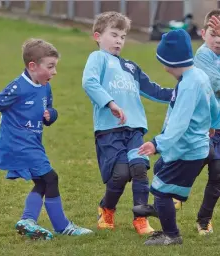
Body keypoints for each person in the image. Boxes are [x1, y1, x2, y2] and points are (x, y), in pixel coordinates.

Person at [0, 38, 93, 240]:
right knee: (50, 177)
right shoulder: (17, 88)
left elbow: (50, 111)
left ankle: (27, 220)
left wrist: (50, 115)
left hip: (33, 144)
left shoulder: (45, 87)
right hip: (19, 144)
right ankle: (62, 226)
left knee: (43, 182)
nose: (54, 72)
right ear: (32, 66)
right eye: (50, 66)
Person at [82, 11, 173, 235]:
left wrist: (183, 92)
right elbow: (89, 82)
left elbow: (154, 91)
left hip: (135, 129)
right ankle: (106, 208)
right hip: (109, 130)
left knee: (140, 169)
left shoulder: (131, 67)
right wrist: (111, 103)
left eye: (122, 37)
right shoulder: (98, 59)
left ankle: (141, 219)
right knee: (121, 173)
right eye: (113, 35)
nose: (118, 41)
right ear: (97, 36)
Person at [134, 29, 219, 245]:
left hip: (187, 149)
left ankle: (171, 235)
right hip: (191, 147)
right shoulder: (197, 75)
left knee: (161, 190)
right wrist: (214, 125)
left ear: (169, 62)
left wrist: (156, 143)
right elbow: (213, 105)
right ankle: (163, 208)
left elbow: (179, 124)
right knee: (160, 170)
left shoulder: (189, 86)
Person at [192, 10, 220, 235]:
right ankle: (170, 197)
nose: (218, 39)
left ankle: (204, 219)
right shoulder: (202, 56)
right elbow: (216, 82)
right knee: (189, 167)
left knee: (218, 176)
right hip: (202, 129)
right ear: (203, 33)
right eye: (214, 34)